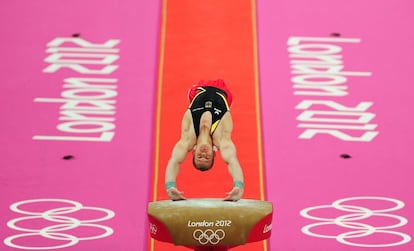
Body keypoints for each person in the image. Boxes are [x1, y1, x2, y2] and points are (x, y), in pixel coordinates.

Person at [164, 79, 245, 201]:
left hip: (197, 91)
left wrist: (170, 186)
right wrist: (238, 186)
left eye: (199, 157)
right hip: (223, 92)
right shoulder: (222, 139)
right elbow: (231, 160)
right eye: (207, 158)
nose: (203, 154)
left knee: (193, 92)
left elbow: (175, 160)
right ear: (213, 153)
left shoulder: (188, 139)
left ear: (193, 152)